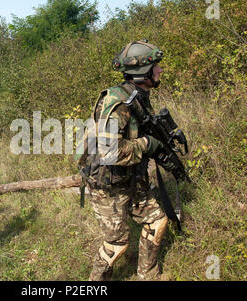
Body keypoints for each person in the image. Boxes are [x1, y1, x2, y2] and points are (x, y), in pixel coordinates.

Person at [78, 40, 176, 280]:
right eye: (156, 66)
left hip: (130, 176)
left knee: (157, 222)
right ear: (144, 72)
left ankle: (148, 274)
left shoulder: (137, 96)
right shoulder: (118, 104)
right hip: (107, 186)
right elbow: (110, 152)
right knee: (116, 245)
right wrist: (148, 145)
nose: (160, 70)